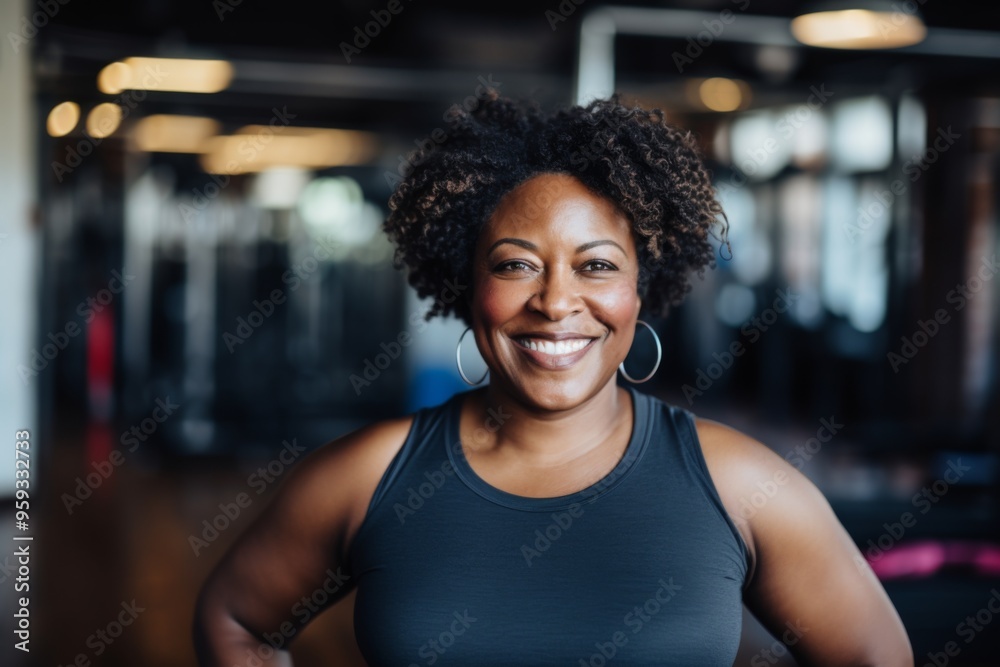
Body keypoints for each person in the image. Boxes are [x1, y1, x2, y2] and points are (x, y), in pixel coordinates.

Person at [193, 90, 913, 666]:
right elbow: (235, 619)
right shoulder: (365, 477)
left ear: (641, 290)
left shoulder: (746, 486)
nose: (556, 301)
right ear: (469, 285)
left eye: (596, 265)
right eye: (515, 264)